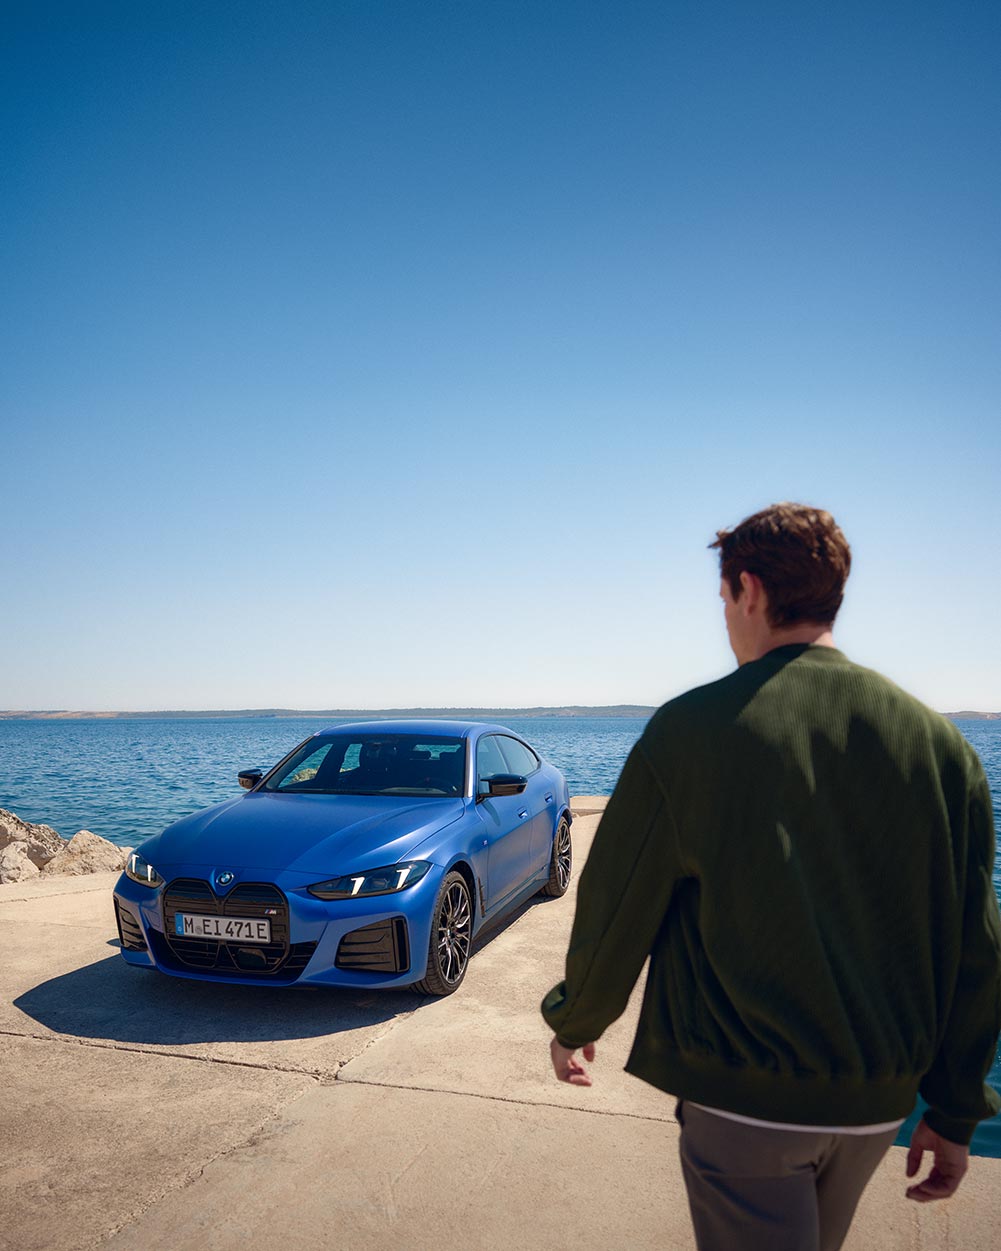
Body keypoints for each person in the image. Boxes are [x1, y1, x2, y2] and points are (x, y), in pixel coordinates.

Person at [541, 502, 1001, 1251]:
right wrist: (952, 1110)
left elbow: (619, 902)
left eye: (722, 597)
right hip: (875, 1100)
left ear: (746, 589)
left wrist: (577, 1017)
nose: (724, 614)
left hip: (742, 1096)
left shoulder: (691, 730)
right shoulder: (939, 744)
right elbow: (975, 947)